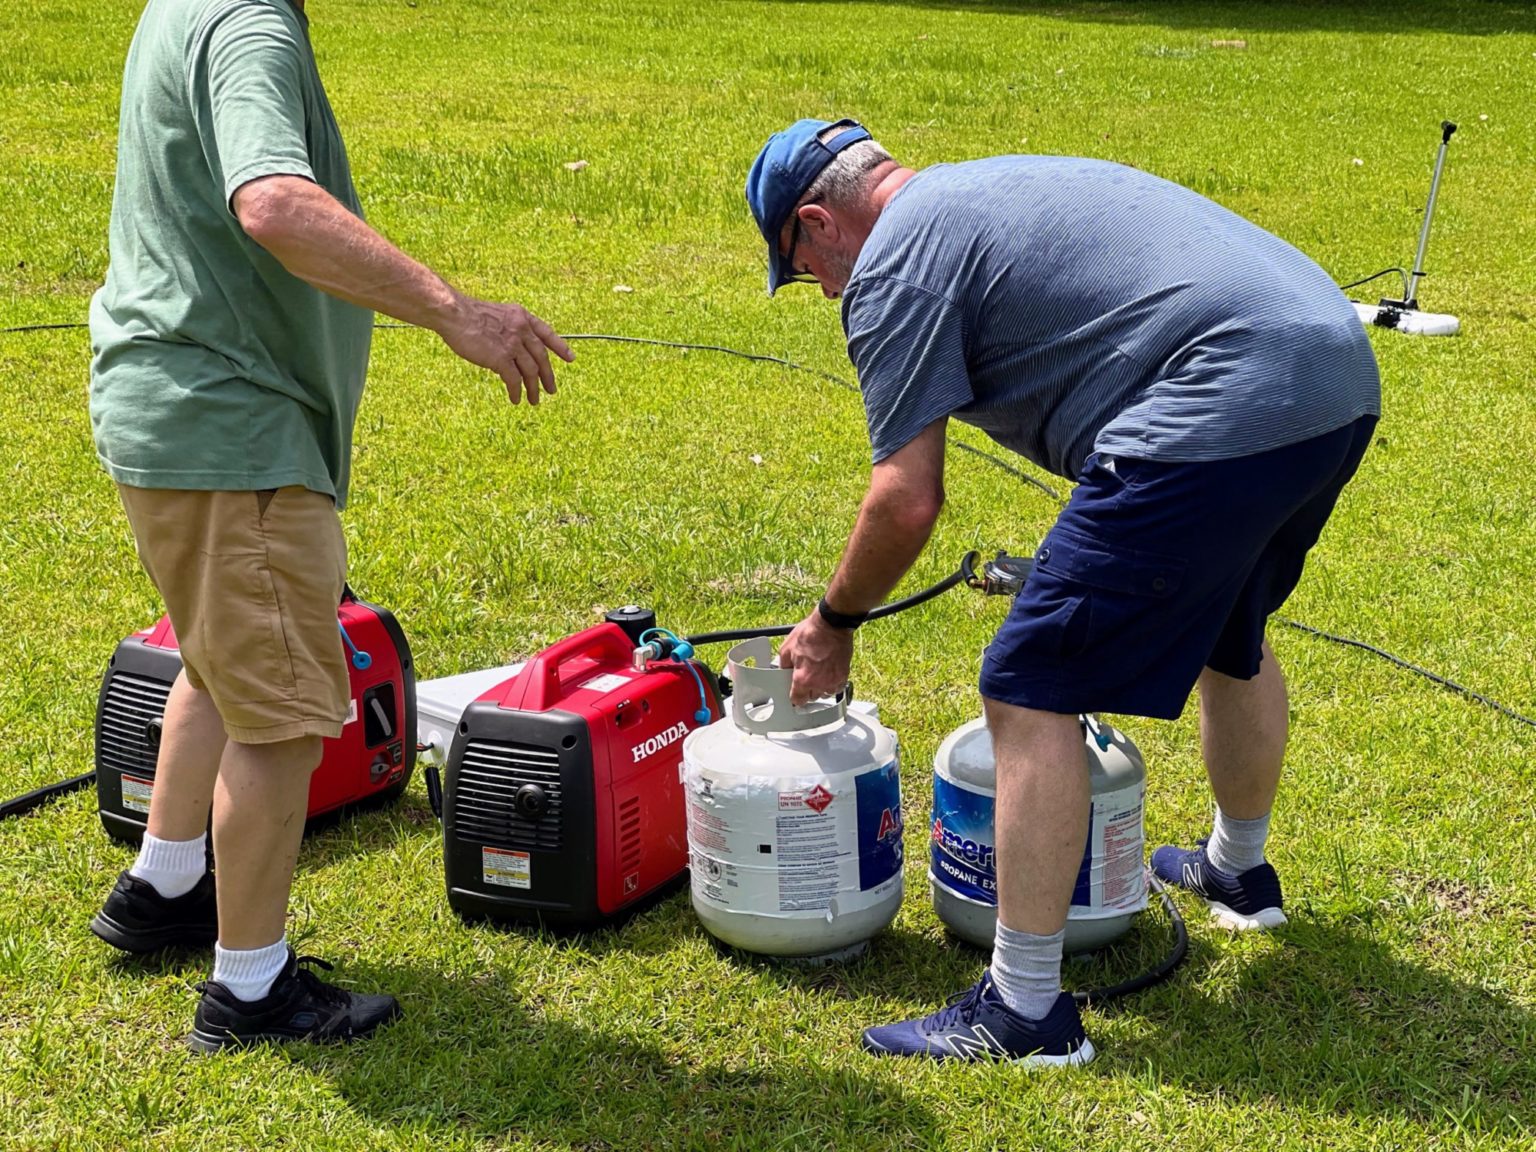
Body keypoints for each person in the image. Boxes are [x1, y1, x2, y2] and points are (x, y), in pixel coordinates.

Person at [745, 119, 1380, 1065]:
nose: (823, 291)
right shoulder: (982, 189)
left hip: (1218, 392)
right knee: (1227, 628)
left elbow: (907, 499)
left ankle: (1024, 1012)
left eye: (803, 270)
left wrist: (833, 621)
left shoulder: (895, 267)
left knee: (1029, 682)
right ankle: (1238, 876)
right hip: (1331, 377)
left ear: (817, 221)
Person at [86, 0, 572, 1053]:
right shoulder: (250, 28)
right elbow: (271, 201)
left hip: (167, 411)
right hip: (233, 428)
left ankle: (166, 886)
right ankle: (249, 992)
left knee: (221, 666)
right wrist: (457, 312)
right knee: (286, 717)